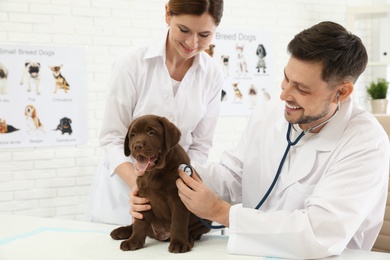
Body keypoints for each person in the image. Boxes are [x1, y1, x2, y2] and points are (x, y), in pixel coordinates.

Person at [132, 21, 390, 259]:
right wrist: (166, 182)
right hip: (255, 251)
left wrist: (221, 212)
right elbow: (232, 175)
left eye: (301, 88)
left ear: (341, 92)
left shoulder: (366, 143)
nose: (284, 95)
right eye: (286, 78)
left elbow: (319, 234)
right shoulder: (268, 114)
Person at [87, 0, 224, 225]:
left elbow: (200, 146)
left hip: (170, 198)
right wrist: (139, 186)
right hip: (124, 194)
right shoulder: (132, 64)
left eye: (205, 34)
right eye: (184, 30)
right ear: (168, 14)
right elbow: (112, 137)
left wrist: (181, 188)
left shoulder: (212, 74)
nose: (193, 42)